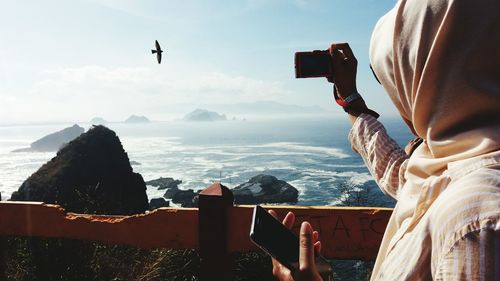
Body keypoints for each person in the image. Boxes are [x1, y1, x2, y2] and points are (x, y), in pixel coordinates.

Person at [271, 0, 500, 280]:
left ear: (424, 79)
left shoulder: (476, 223)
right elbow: (401, 175)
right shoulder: (454, 168)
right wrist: (350, 98)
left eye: (396, 78)